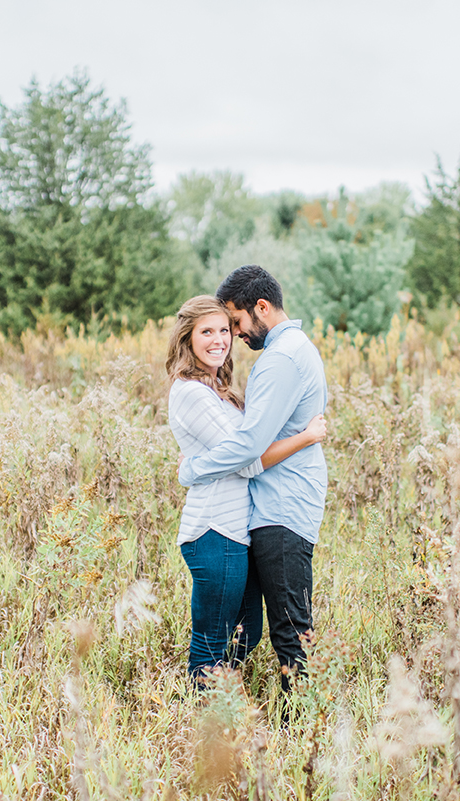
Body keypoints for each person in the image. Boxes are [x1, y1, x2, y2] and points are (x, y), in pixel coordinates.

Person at [178, 265, 327, 692]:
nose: (235, 335)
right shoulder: (296, 349)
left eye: (237, 323)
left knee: (290, 631)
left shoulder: (280, 358)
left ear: (261, 307)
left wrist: (192, 469)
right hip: (273, 509)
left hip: (282, 509)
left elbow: (248, 447)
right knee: (261, 628)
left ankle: (298, 731)